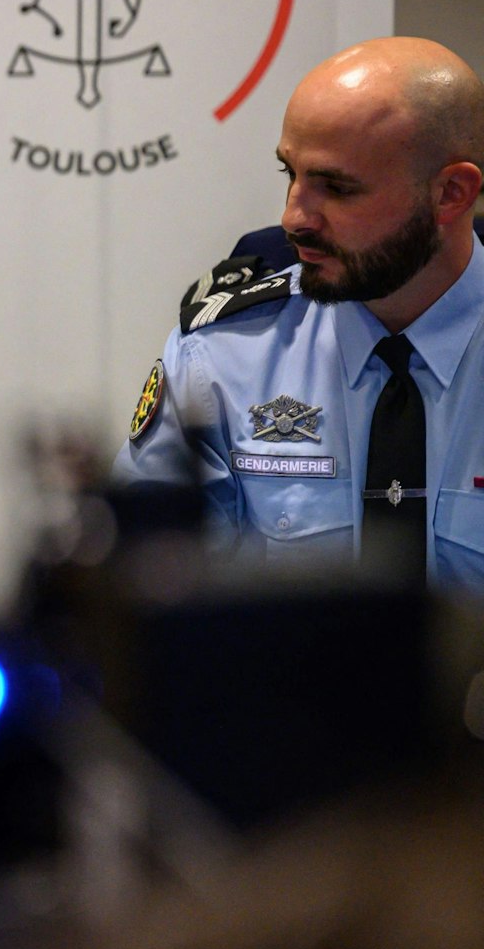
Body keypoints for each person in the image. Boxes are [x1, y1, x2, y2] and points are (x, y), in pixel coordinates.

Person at [115, 37, 484, 586]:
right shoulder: (221, 355)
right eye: (291, 173)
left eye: (335, 187)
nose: (294, 218)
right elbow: (142, 585)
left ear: (450, 194)